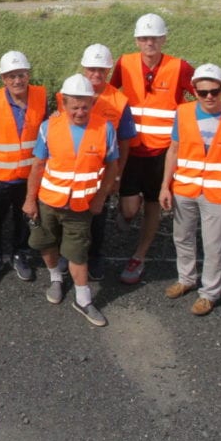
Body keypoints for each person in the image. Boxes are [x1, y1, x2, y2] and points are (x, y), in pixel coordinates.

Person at [23, 74, 119, 327]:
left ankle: (83, 299)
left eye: (85, 106)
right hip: (49, 201)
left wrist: (100, 198)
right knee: (45, 242)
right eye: (74, 107)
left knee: (77, 253)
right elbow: (38, 166)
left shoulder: (105, 128)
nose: (80, 112)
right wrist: (29, 201)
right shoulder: (49, 127)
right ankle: (56, 278)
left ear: (92, 103)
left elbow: (112, 167)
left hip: (81, 206)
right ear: (64, 104)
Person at [158, 64, 221, 316]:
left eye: (214, 91)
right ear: (195, 91)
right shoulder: (183, 112)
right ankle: (186, 279)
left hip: (218, 193)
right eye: (203, 92)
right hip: (185, 187)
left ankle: (209, 293)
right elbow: (174, 150)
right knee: (182, 237)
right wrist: (165, 185)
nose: (209, 96)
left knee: (213, 245)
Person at [110, 13, 194, 285]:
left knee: (153, 205)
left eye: (155, 38)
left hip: (163, 152)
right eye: (144, 38)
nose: (149, 43)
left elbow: (202, 97)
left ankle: (139, 256)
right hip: (132, 150)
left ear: (164, 39)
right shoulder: (124, 63)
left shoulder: (179, 67)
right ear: (137, 40)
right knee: (130, 208)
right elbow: (108, 93)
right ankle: (124, 215)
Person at [57, 44, 136, 281]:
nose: (96, 75)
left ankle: (94, 256)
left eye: (102, 70)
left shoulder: (119, 100)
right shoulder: (68, 92)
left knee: (97, 216)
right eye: (92, 69)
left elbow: (124, 142)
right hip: (70, 170)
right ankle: (67, 255)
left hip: (101, 172)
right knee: (67, 213)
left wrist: (118, 176)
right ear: (84, 68)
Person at [0, 51, 47, 284]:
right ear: (3, 79)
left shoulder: (40, 97)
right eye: (11, 76)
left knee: (23, 219)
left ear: (28, 75)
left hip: (28, 177)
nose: (17, 80)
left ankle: (20, 255)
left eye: (21, 75)